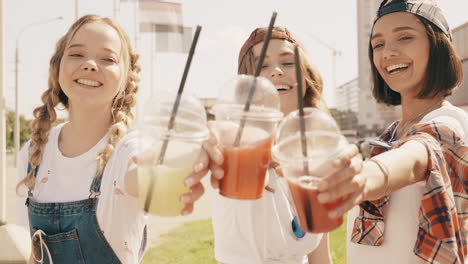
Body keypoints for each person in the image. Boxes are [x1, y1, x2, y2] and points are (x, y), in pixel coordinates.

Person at [15, 14, 214, 264]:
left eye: (107, 58)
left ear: (126, 80)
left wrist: (199, 149)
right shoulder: (33, 153)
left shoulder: (127, 151)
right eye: (76, 54)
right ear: (57, 67)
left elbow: (144, 171)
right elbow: (27, 251)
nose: (89, 64)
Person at [315, 0, 468, 263]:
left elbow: (417, 155)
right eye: (378, 44)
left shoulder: (450, 125)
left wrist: (367, 175)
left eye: (405, 37)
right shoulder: (390, 136)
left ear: (438, 45)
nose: (387, 52)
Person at [210, 26, 362, 264]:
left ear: (306, 76)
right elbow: (219, 137)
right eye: (263, 66)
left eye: (288, 63)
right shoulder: (234, 143)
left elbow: (320, 255)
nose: (277, 71)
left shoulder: (315, 154)